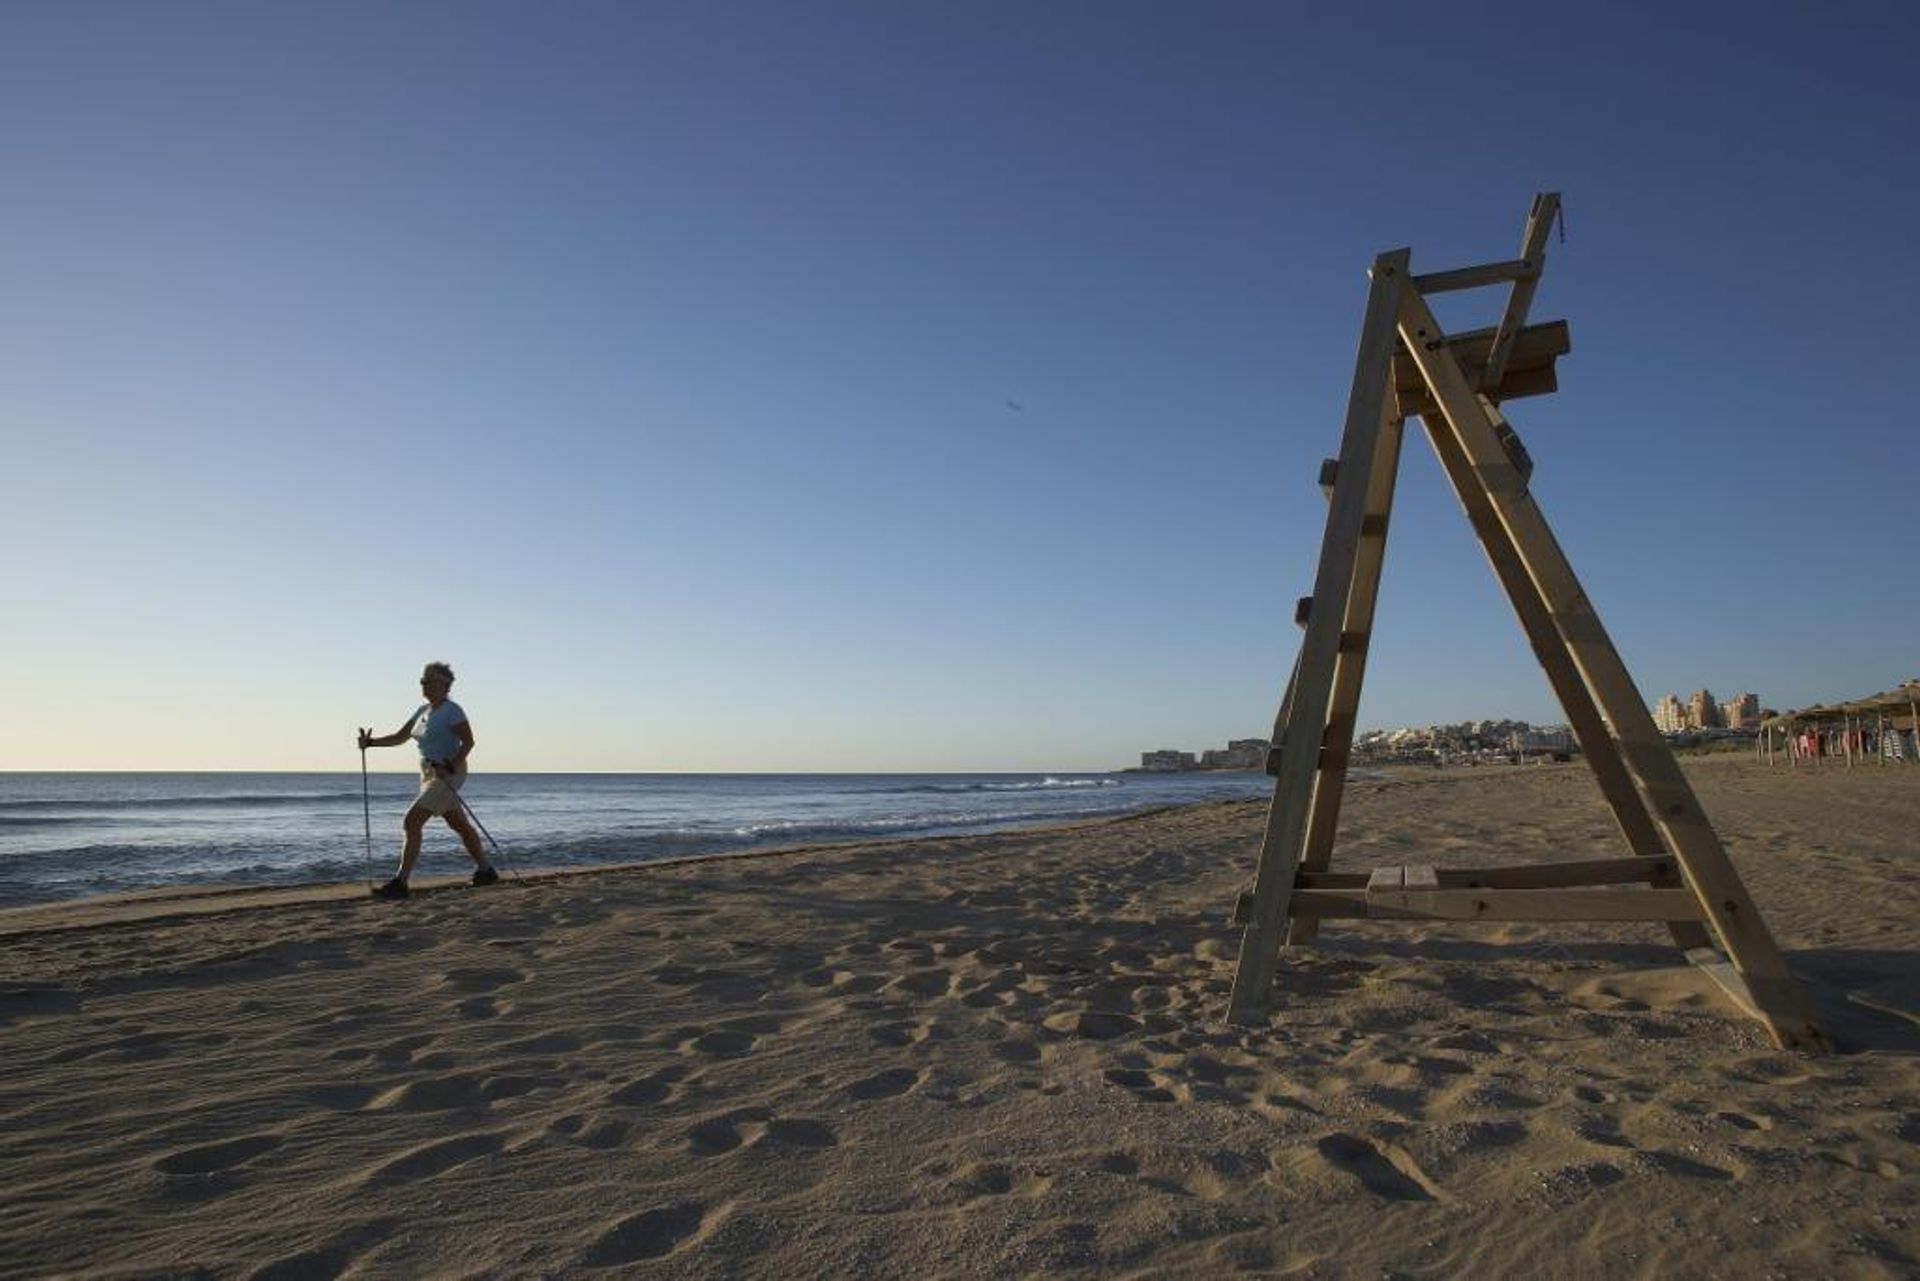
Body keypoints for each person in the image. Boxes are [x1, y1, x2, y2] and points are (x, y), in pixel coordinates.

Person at [358, 661, 498, 900]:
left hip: (448, 772)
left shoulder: (452, 710)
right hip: (428, 774)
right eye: (423, 681)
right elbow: (400, 737)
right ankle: (486, 870)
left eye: (430, 680)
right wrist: (371, 743)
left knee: (412, 822)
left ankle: (400, 883)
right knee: (458, 824)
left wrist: (450, 765)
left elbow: (468, 742)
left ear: (445, 684)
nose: (424, 685)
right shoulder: (422, 711)